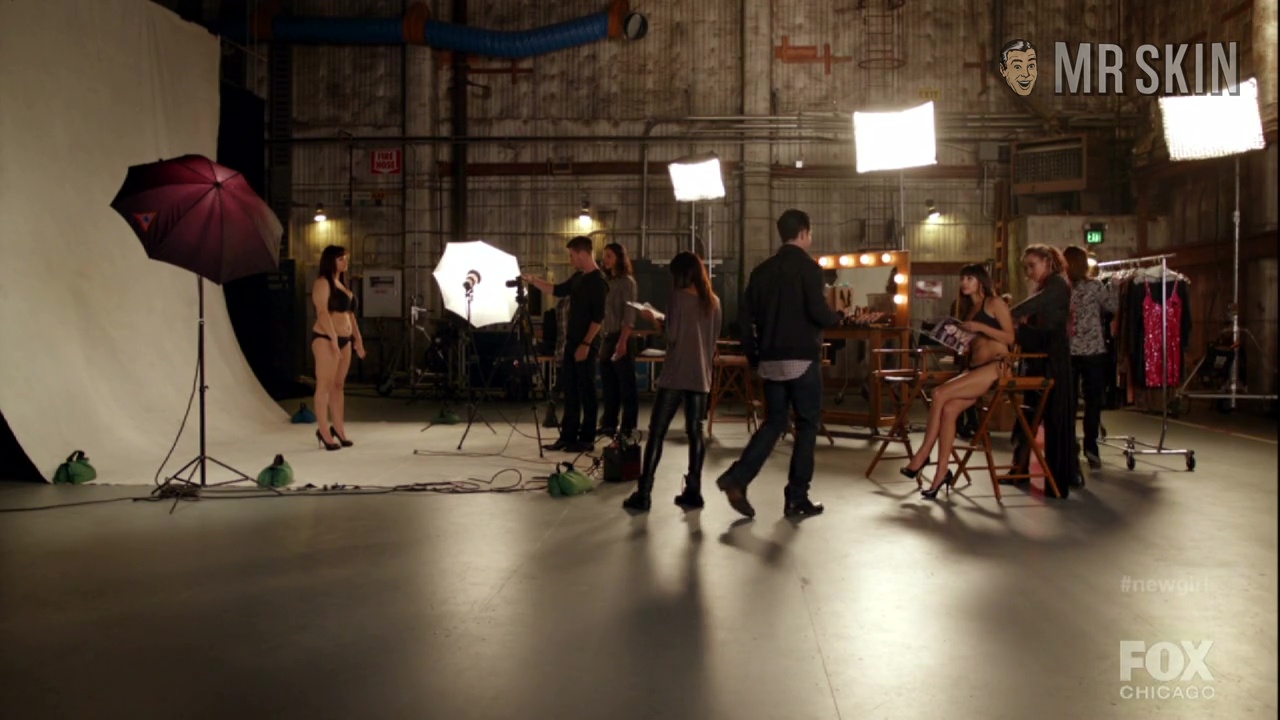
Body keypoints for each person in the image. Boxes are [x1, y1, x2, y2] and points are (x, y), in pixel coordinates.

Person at [714, 209, 849, 519]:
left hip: (770, 361)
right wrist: (838, 317)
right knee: (807, 425)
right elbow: (818, 313)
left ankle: (738, 477)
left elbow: (744, 318)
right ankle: (796, 497)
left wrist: (753, 354)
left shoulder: (761, 271)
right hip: (801, 360)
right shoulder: (809, 269)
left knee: (774, 422)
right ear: (804, 232)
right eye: (810, 233)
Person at [900, 264, 1015, 498]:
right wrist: (958, 340)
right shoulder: (968, 310)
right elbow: (974, 342)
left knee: (939, 393)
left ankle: (922, 455)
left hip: (996, 367)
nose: (964, 282)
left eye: (969, 278)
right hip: (974, 367)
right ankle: (941, 473)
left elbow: (1010, 337)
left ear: (981, 281)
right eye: (962, 278)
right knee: (949, 410)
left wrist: (978, 327)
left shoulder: (994, 303)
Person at [623, 252, 722, 512]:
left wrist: (654, 319)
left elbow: (672, 337)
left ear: (680, 274)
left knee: (657, 433)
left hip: (675, 374)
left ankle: (644, 493)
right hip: (700, 375)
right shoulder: (714, 301)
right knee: (696, 433)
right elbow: (711, 339)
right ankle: (693, 492)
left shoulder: (678, 297)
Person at [524, 236, 609, 453]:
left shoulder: (599, 281)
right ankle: (568, 436)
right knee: (570, 390)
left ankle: (587, 438)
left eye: (571, 255)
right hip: (572, 342)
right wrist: (534, 281)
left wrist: (586, 344)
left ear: (582, 254)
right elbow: (557, 290)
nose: (570, 260)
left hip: (586, 344)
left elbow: (598, 319)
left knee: (586, 390)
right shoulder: (579, 277)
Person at [1009, 244, 1081, 496]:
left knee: (1054, 420)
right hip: (1041, 359)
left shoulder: (1057, 285)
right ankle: (1021, 471)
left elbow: (1033, 313)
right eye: (1025, 267)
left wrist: (1007, 317)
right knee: (1029, 418)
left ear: (1047, 262)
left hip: (1053, 361)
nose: (1028, 272)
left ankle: (1060, 477)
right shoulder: (1047, 286)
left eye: (1032, 266)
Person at [1064, 245, 1117, 469]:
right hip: (1094, 350)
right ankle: (1091, 447)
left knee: (1068, 401)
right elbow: (1111, 307)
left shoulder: (1062, 288)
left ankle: (1069, 445)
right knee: (1093, 401)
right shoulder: (1095, 286)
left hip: (1068, 350)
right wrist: (1113, 288)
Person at [311, 245, 366, 450]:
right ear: (331, 261)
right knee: (324, 385)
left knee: (338, 385)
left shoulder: (342, 285)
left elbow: (350, 316)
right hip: (325, 338)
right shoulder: (322, 283)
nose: (345, 261)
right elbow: (322, 312)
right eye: (341, 258)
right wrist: (333, 338)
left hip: (345, 340)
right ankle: (324, 432)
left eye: (346, 258)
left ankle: (339, 429)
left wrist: (357, 339)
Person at [598, 243, 639, 438]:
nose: (605, 260)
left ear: (619, 258)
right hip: (607, 337)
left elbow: (629, 314)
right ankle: (609, 423)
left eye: (609, 256)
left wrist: (622, 341)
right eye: (604, 256)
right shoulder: (608, 282)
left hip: (621, 336)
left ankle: (628, 427)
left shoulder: (627, 283)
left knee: (626, 386)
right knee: (609, 386)